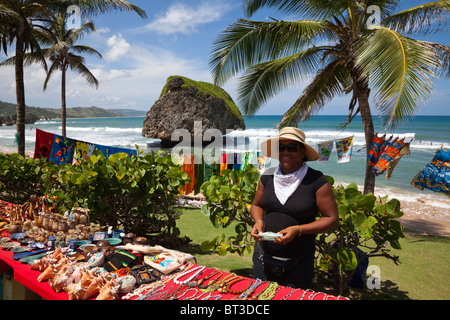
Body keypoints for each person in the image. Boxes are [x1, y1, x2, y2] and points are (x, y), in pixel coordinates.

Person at [250, 127, 339, 289]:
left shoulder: (316, 180)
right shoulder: (268, 176)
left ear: (302, 151)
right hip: (262, 258)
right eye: (281, 147)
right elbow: (257, 204)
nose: (285, 152)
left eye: (292, 147)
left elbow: (332, 220)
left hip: (298, 264)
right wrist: (258, 222)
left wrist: (298, 229)